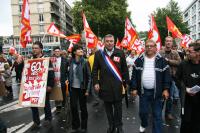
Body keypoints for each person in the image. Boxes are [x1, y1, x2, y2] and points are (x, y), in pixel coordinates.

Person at [130, 39, 170, 133]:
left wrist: (166, 89)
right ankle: (144, 123)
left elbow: (167, 77)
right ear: (145, 48)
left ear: (156, 48)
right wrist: (134, 88)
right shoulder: (139, 60)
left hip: (158, 93)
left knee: (157, 115)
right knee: (143, 112)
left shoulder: (162, 60)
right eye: (147, 46)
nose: (149, 48)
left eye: (151, 46)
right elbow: (134, 76)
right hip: (143, 92)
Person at [93, 34, 129, 133]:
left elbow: (125, 69)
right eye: (107, 41)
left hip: (117, 86)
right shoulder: (98, 54)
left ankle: (119, 126)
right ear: (104, 42)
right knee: (108, 109)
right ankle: (111, 125)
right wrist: (95, 82)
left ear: (114, 42)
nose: (109, 43)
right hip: (104, 86)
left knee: (118, 108)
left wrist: (127, 83)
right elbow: (95, 70)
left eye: (111, 41)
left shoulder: (120, 53)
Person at [176, 43, 200, 133]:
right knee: (186, 122)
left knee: (197, 124)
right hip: (186, 99)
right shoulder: (183, 64)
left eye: (190, 52)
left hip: (199, 100)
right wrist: (184, 88)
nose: (187, 53)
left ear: (198, 53)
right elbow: (176, 78)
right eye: (187, 51)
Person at [30, 41, 55, 130]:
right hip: (33, 87)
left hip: (44, 86)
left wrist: (50, 85)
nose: (34, 50)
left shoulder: (46, 60)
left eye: (36, 48)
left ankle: (48, 120)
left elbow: (51, 73)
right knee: (33, 104)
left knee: (45, 104)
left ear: (41, 49)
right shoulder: (30, 60)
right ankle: (36, 122)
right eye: (33, 48)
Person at [68, 45, 91, 133]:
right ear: (74, 52)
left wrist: (88, 90)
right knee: (73, 107)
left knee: (83, 108)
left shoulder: (85, 62)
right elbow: (68, 73)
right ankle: (75, 126)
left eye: (81, 49)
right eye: (79, 49)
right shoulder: (70, 62)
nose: (81, 50)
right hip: (73, 88)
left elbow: (89, 77)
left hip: (82, 88)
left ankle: (84, 126)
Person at [159, 36, 181, 120]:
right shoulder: (160, 52)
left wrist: (168, 61)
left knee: (170, 97)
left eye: (170, 41)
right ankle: (158, 112)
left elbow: (179, 63)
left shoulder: (175, 53)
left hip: (172, 78)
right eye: (167, 41)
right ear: (165, 42)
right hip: (162, 78)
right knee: (161, 97)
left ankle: (168, 113)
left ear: (172, 43)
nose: (168, 42)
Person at [51, 46, 69, 113]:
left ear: (60, 52)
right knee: (56, 94)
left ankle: (63, 105)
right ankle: (58, 107)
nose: (57, 52)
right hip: (54, 80)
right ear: (54, 52)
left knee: (63, 93)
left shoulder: (65, 60)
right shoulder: (51, 60)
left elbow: (67, 71)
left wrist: (67, 78)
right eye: (55, 51)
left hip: (62, 79)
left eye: (58, 51)